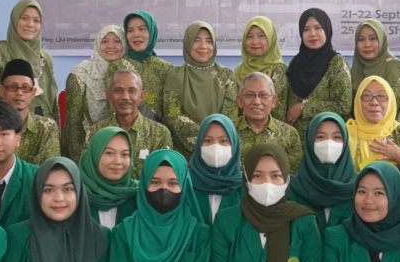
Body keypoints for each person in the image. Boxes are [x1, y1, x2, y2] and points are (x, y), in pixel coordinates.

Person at [161, 21, 238, 157]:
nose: (203, 46)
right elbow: (173, 115)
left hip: (222, 150)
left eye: (208, 41)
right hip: (186, 154)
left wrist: (216, 142)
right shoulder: (174, 75)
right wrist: (204, 142)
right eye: (196, 40)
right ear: (188, 43)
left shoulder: (226, 75)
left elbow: (231, 114)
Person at [88, 67, 174, 181]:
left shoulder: (160, 133)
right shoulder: (96, 132)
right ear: (108, 95)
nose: (125, 97)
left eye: (132, 90)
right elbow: (89, 174)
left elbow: (163, 178)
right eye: (118, 90)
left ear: (142, 95)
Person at [64, 25, 133, 158]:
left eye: (117, 41)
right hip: (88, 145)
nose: (110, 46)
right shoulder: (81, 73)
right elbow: (73, 123)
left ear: (124, 45)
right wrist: (79, 159)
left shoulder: (131, 73)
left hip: (124, 146)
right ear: (97, 44)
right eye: (104, 41)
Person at [0, 0, 57, 120]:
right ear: (14, 20)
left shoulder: (45, 58)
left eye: (36, 20)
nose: (30, 24)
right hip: (7, 122)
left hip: (42, 124)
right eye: (24, 18)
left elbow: (51, 100)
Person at [288, 113, 359, 232]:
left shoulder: (360, 187)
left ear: (346, 141)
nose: (328, 143)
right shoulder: (291, 188)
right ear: (309, 141)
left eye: (337, 137)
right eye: (320, 137)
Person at [285, 8, 352, 133]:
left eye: (317, 28)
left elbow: (343, 106)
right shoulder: (295, 63)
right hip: (295, 138)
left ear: (326, 29)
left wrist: (304, 108)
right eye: (306, 29)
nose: (312, 34)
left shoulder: (336, 63)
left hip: (324, 137)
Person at [0, 58, 63, 166]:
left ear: (33, 92)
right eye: (12, 87)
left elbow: (49, 169)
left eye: (25, 88)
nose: (19, 93)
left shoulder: (46, 128)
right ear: (1, 91)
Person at [234, 71, 301, 168]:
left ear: (274, 101)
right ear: (240, 101)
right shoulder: (228, 131)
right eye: (250, 95)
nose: (257, 102)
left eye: (263, 95)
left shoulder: (289, 134)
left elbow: (293, 173)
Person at [80, 126, 140, 230]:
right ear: (94, 155)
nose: (118, 161)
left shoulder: (139, 195)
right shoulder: (74, 195)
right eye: (109, 153)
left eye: (125, 154)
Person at [187, 114, 244, 225]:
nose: (215, 147)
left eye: (223, 141)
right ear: (198, 144)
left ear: (234, 144)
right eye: (208, 141)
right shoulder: (185, 183)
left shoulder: (246, 186)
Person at [349, 75, 400, 172]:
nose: (374, 102)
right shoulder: (344, 133)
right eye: (367, 96)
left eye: (381, 96)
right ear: (358, 100)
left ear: (390, 101)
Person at [235, 16, 289, 122]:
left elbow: (278, 113)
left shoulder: (278, 71)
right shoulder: (238, 70)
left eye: (261, 36)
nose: (255, 41)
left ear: (271, 38)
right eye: (250, 36)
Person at [121, 11, 171, 121]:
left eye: (142, 29)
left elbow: (171, 112)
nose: (136, 34)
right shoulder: (116, 67)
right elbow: (114, 108)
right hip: (122, 129)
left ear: (152, 32)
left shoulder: (167, 69)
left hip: (159, 130)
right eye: (130, 30)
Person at [351, 18, 400, 106]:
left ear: (382, 40)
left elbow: (393, 108)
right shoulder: (353, 71)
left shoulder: (395, 68)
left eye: (373, 38)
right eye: (361, 39)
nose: (367, 45)